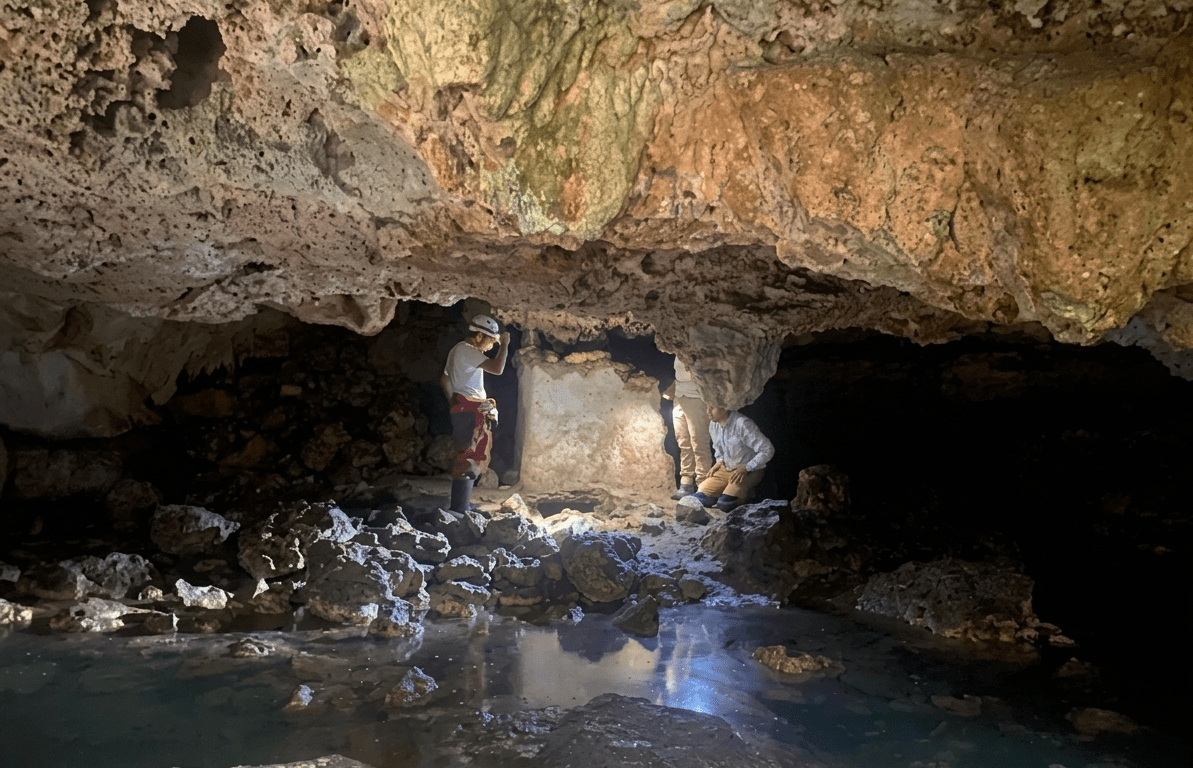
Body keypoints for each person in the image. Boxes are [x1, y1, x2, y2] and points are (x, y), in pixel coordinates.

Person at [440, 314, 510, 513]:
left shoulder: (456, 350)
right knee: (471, 455)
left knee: (467, 452)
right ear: (479, 336)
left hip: (463, 406)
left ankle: (461, 505)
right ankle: (460, 508)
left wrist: (454, 403)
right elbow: (497, 369)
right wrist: (505, 345)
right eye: (490, 341)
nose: (491, 347)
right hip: (470, 408)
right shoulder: (467, 351)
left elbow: (444, 381)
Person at [692, 405, 774, 512]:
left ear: (724, 407)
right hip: (725, 469)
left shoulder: (742, 424)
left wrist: (747, 467)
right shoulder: (714, 424)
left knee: (726, 504)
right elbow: (718, 448)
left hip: (747, 471)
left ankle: (745, 492)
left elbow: (768, 449)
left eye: (712, 408)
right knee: (699, 499)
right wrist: (719, 461)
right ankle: (725, 491)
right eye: (707, 407)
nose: (708, 412)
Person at [664, 358, 713, 500]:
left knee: (699, 442)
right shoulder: (677, 348)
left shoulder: (697, 346)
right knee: (683, 441)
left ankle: (704, 487)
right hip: (680, 396)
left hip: (697, 397)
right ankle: (686, 483)